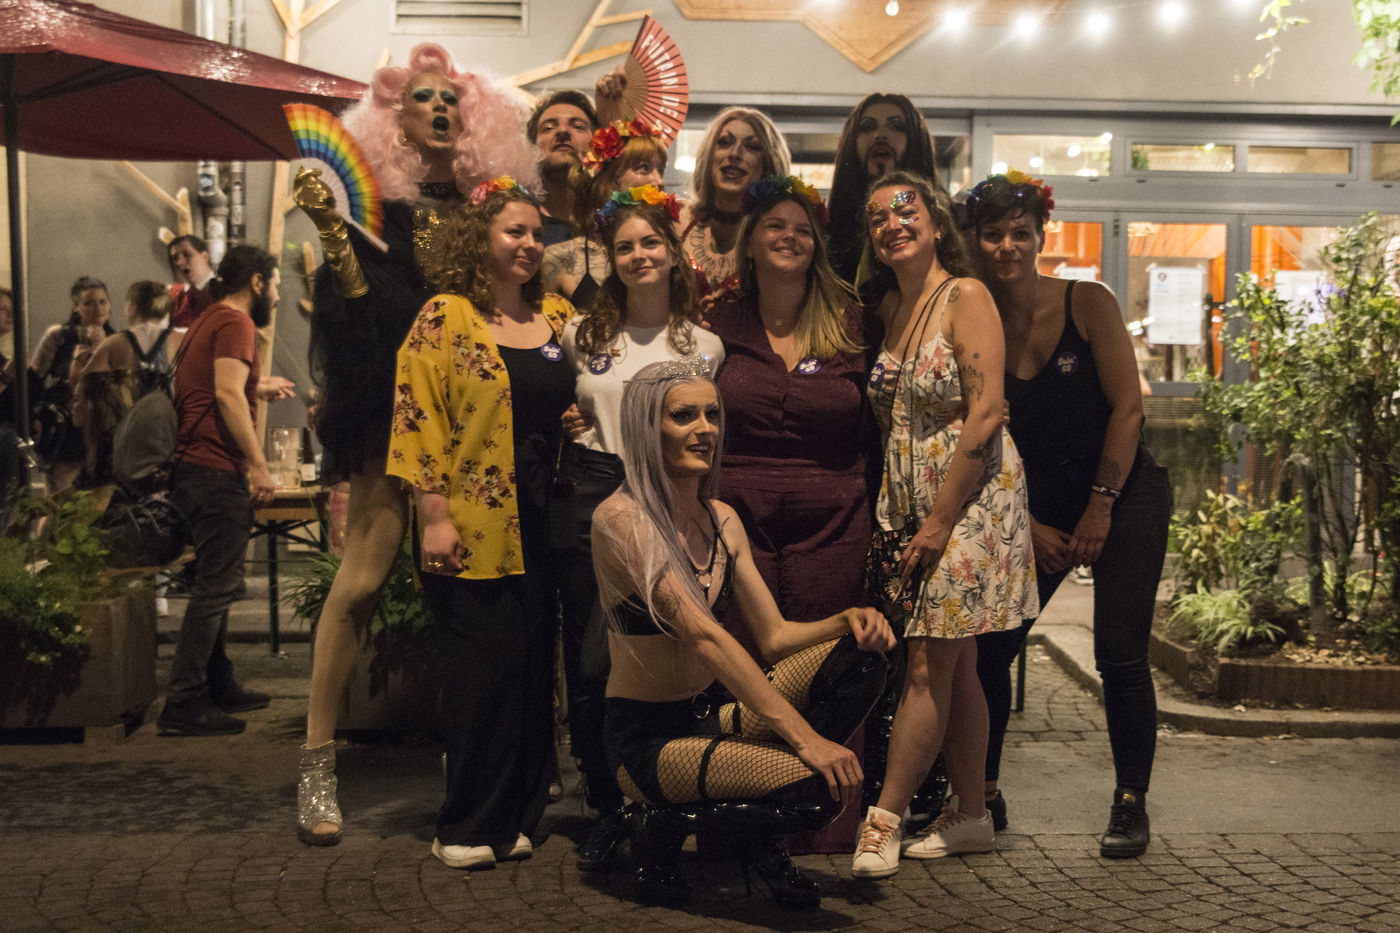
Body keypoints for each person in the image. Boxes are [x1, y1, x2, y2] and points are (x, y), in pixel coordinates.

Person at [293, 43, 537, 846]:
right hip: (385, 412)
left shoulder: (484, 213)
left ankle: (477, 761)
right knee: (363, 579)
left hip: (471, 426)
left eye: (450, 98)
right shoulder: (372, 218)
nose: (439, 108)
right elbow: (353, 328)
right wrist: (341, 254)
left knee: (475, 600)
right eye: (422, 97)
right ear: (393, 118)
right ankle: (316, 762)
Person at [591, 357, 893, 908]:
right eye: (684, 416)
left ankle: (747, 836)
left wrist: (846, 620)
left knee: (861, 656)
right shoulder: (621, 519)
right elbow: (704, 637)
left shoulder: (722, 517)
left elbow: (774, 636)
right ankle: (655, 828)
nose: (704, 429)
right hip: (647, 740)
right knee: (816, 790)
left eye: (712, 414)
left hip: (710, 715)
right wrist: (807, 741)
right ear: (646, 426)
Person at [965, 172, 1171, 858]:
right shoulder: (974, 319)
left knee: (1119, 650)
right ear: (974, 241)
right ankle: (984, 794)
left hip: (1125, 492)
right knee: (992, 646)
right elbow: (980, 434)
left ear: (1040, 237)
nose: (1007, 246)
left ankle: (1130, 802)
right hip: (1038, 507)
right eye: (993, 234)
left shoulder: (1089, 301)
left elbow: (1129, 409)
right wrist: (1026, 526)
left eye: (1020, 233)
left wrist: (1099, 510)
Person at [850, 171, 1038, 879]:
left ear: (934, 223)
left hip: (968, 501)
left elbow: (985, 413)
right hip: (915, 505)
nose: (892, 224)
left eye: (906, 210)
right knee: (957, 667)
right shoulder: (892, 307)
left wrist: (937, 521)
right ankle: (972, 814)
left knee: (929, 660)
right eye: (878, 217)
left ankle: (884, 820)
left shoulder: (966, 295)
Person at [388, 178, 575, 872]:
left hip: (547, 520)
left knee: (531, 673)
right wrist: (433, 515)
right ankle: (465, 821)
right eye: (513, 231)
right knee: (481, 677)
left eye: (537, 234)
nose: (529, 245)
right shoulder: (445, 316)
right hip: (473, 522)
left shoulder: (557, 315)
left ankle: (517, 815)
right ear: (480, 238)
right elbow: (417, 417)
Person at [704, 176, 875, 852]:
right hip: (736, 518)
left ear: (817, 245)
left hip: (835, 520)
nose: (789, 237)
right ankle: (740, 820)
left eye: (802, 229)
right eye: (775, 225)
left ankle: (825, 823)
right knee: (743, 663)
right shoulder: (716, 321)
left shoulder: (853, 322)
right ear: (750, 241)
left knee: (826, 663)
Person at [553, 186, 722, 870]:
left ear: (673, 253)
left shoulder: (704, 345)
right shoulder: (581, 335)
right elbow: (569, 411)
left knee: (665, 655)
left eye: (650, 242)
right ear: (610, 259)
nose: (638, 255)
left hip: (672, 503)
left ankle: (667, 794)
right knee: (591, 659)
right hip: (595, 496)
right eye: (624, 247)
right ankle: (606, 800)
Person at [155, 245, 297, 736]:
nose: (276, 295)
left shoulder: (207, 319)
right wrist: (258, 467)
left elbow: (209, 387)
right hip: (214, 470)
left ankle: (216, 682)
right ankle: (183, 702)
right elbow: (224, 394)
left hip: (191, 468)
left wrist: (257, 386)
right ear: (256, 282)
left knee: (211, 582)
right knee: (216, 587)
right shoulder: (237, 323)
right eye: (274, 285)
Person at [540, 119, 668, 311]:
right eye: (644, 168)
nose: (658, 181)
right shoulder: (561, 257)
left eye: (661, 170)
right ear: (608, 180)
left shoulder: (669, 250)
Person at [71, 280, 175, 504]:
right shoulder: (180, 341)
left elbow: (84, 391)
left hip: (121, 447)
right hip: (166, 444)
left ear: (133, 308)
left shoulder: (114, 344)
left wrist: (85, 352)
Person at [827, 94, 939, 286]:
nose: (880, 135)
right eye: (867, 127)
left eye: (896, 126)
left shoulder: (952, 220)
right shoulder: (829, 231)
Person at [679, 107, 791, 299]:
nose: (735, 153)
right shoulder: (677, 221)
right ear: (709, 155)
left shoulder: (778, 233)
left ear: (769, 163)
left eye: (752, 147)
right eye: (724, 142)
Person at [31, 276, 115, 495]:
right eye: (89, 303)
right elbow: (34, 381)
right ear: (76, 307)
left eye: (103, 302)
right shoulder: (59, 336)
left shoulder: (117, 340)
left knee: (99, 501)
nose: (98, 309)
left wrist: (100, 346)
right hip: (66, 432)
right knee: (61, 500)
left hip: (103, 432)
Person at [527, 88, 600, 245]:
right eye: (548, 127)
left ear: (596, 142)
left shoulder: (613, 219)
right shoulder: (513, 218)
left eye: (578, 126)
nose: (562, 131)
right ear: (532, 145)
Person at [167, 235, 215, 328]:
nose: (179, 262)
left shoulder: (225, 293)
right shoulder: (177, 298)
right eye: (175, 258)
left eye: (187, 255)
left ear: (205, 256)